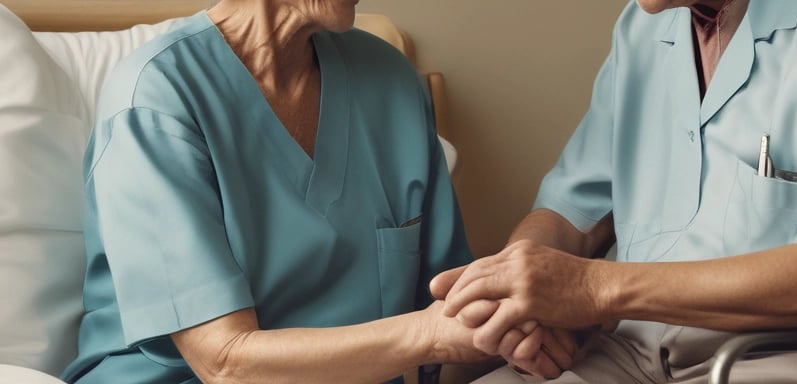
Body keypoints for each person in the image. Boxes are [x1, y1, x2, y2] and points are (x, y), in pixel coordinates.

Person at [431, 0, 797, 382]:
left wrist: (593, 290)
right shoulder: (644, 27)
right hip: (630, 354)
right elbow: (569, 211)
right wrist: (522, 288)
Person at [59, 0, 575, 382]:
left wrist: (511, 331)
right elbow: (224, 361)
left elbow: (453, 312)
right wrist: (432, 335)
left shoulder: (391, 82)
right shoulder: (154, 101)